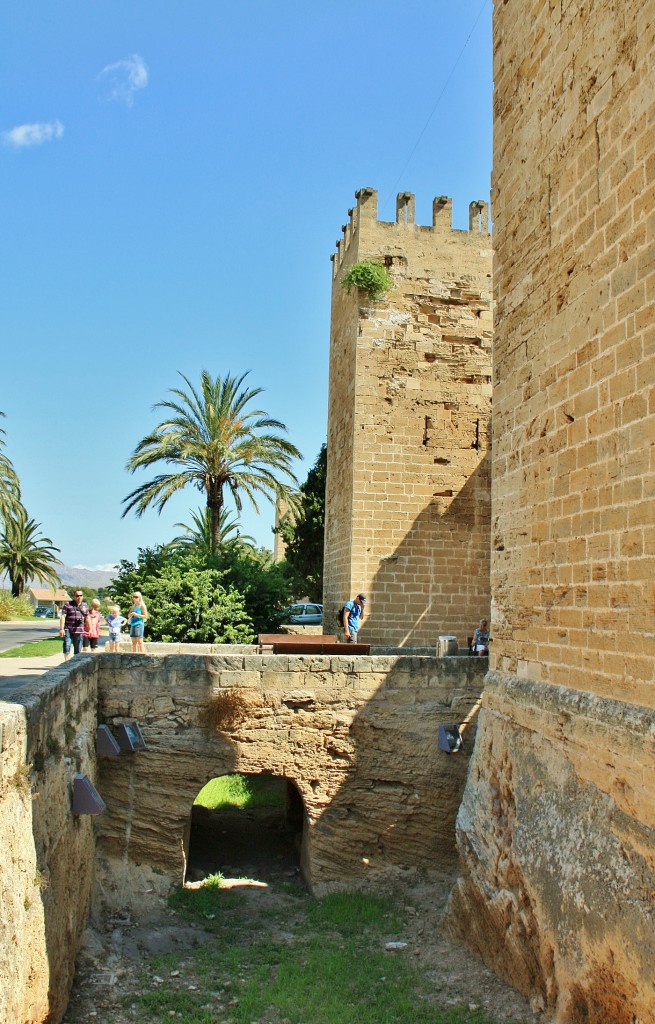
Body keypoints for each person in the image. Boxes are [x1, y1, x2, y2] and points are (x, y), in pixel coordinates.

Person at [59, 590, 89, 661]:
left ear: (82, 596)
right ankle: (66, 661)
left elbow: (87, 617)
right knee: (67, 644)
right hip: (68, 629)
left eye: (80, 595)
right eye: (77, 595)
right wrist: (61, 629)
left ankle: (75, 662)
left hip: (79, 630)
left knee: (78, 647)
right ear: (74, 596)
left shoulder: (84, 605)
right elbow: (63, 616)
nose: (79, 597)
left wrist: (90, 629)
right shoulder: (68, 604)